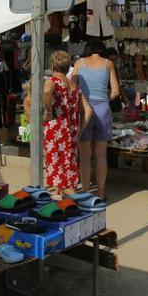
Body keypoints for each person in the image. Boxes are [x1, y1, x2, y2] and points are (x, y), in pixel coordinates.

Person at [72, 39, 120, 199]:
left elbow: (73, 88)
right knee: (101, 154)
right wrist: (102, 97)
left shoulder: (79, 63)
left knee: (85, 155)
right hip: (103, 109)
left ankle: (85, 192)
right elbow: (115, 92)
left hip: (83, 110)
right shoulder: (108, 64)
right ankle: (100, 191)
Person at [43, 51, 92, 195]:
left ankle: (74, 201)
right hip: (72, 130)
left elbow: (46, 92)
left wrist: (48, 111)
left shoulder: (52, 81)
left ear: (52, 65)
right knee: (68, 166)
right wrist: (80, 130)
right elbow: (88, 111)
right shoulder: (74, 85)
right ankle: (63, 198)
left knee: (57, 167)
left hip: (56, 129)